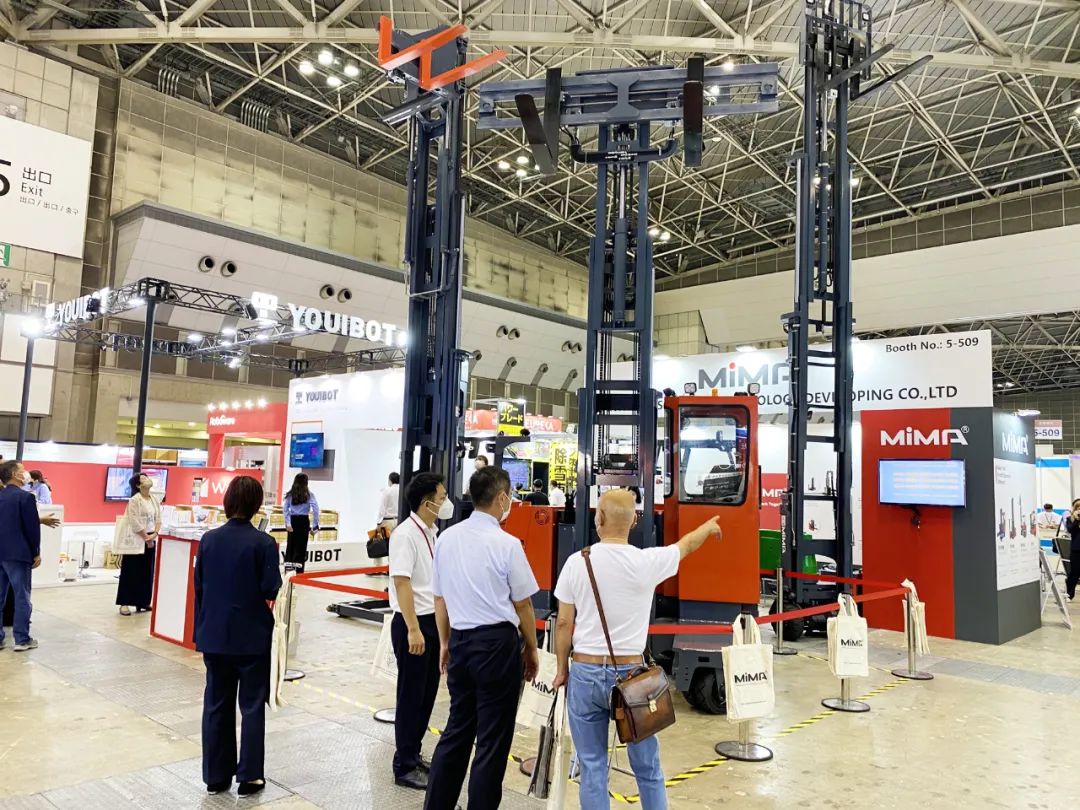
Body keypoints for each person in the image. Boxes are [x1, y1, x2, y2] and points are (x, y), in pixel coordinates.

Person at [552, 490, 723, 810]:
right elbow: (685, 546)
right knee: (648, 769)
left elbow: (563, 623)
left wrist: (562, 669)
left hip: (586, 674)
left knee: (592, 767)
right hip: (634, 679)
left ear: (599, 518)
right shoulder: (647, 562)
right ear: (633, 521)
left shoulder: (578, 562)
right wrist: (707, 527)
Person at [424, 466, 540, 810]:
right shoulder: (507, 544)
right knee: (492, 741)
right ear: (501, 498)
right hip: (497, 646)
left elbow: (440, 598)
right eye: (510, 497)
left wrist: (446, 643)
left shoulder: (446, 538)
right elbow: (523, 603)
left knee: (457, 731)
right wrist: (532, 648)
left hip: (461, 642)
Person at [194, 475, 282, 797]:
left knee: (216, 704)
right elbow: (270, 588)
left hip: (215, 635)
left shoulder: (208, 540)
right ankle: (250, 776)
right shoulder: (264, 543)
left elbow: (200, 586)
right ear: (257, 505)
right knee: (252, 705)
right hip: (252, 636)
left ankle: (216, 777)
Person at [390, 472, 450, 791]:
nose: (446, 502)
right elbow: (402, 582)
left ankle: (413, 754)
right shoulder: (405, 535)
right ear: (427, 503)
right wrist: (413, 629)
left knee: (426, 695)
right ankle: (404, 765)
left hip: (430, 620)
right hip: (412, 622)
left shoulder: (431, 532)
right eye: (441, 497)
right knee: (411, 697)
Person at [0, 460, 43, 651]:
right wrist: (36, 552)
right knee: (21, 596)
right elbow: (31, 528)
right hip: (18, 554)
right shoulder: (25, 498)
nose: (26, 473)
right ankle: (22, 639)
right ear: (14, 475)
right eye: (22, 470)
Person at [116, 472, 161, 616]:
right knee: (131, 571)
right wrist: (146, 537)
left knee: (147, 572)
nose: (147, 479)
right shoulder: (134, 500)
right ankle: (124, 603)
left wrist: (155, 533)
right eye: (143, 479)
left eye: (147, 477)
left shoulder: (154, 499)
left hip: (151, 537)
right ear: (138, 485)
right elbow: (134, 521)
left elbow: (158, 518)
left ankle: (142, 601)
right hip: (137, 539)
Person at [282, 473, 319, 571]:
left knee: (290, 547)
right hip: (303, 522)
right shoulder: (309, 495)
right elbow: (316, 509)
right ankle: (299, 573)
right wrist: (315, 525)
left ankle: (288, 572)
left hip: (293, 521)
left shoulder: (290, 495)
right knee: (301, 548)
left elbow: (285, 509)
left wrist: (288, 523)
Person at [1063, 499, 1080, 600]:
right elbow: (1070, 530)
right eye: (1078, 508)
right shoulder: (1070, 519)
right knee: (1075, 572)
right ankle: (1070, 592)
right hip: (1076, 549)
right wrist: (1077, 520)